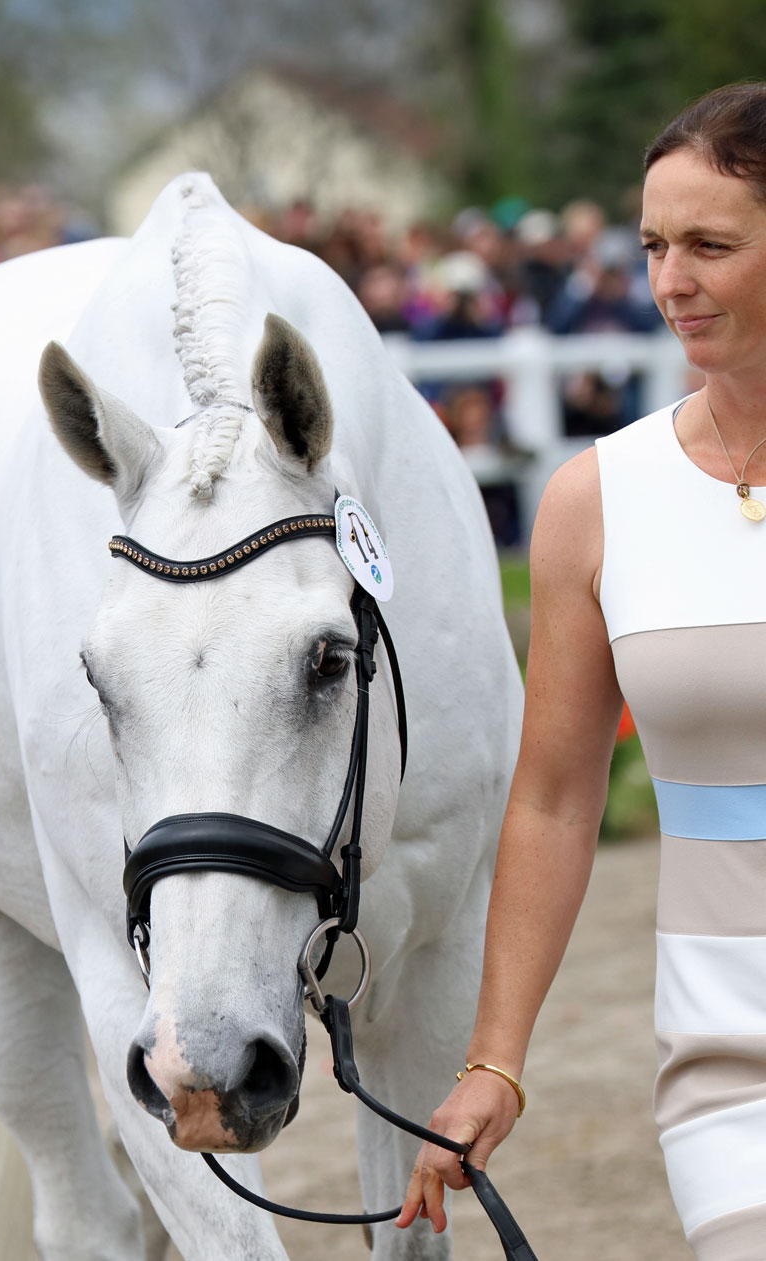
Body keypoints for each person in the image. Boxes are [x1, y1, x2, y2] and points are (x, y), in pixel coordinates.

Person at [397, 80, 766, 1259]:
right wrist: (493, 1061)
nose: (670, 281)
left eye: (710, 245)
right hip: (729, 1057)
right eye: (654, 245)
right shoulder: (595, 502)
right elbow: (554, 797)